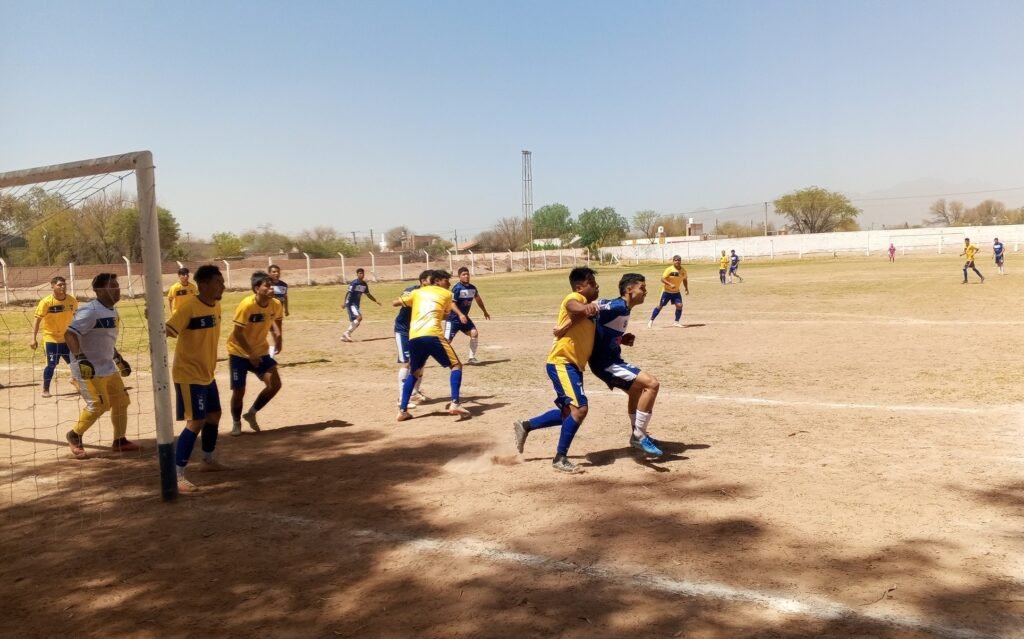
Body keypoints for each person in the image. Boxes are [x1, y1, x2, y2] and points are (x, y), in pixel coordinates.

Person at [512, 267, 601, 474]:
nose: (596, 286)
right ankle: (560, 458)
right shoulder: (575, 298)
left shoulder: (590, 310)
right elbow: (572, 305)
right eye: (591, 283)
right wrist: (584, 308)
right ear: (579, 287)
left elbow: (580, 322)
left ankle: (526, 425)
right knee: (580, 409)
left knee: (568, 413)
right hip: (562, 362)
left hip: (574, 365)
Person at [165, 264, 229, 493]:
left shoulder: (216, 306)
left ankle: (207, 460)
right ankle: (176, 475)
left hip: (206, 374)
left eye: (222, 282)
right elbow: (168, 330)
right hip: (188, 374)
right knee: (195, 421)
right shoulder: (189, 307)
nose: (222, 286)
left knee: (214, 415)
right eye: (218, 282)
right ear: (203, 285)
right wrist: (153, 321)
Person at [63, 273, 138, 458]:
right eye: (112, 286)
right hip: (88, 369)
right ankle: (74, 435)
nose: (117, 289)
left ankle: (119, 440)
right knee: (98, 405)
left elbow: (106, 340)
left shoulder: (113, 311)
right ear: (99, 290)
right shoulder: (90, 311)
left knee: (121, 401)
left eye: (117, 285)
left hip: (108, 367)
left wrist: (118, 359)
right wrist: (81, 359)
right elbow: (69, 334)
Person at [590, 273, 664, 457]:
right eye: (642, 288)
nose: (645, 292)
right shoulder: (617, 306)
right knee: (652, 384)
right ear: (629, 290)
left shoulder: (624, 308)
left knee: (636, 391)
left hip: (612, 360)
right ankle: (639, 435)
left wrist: (620, 339)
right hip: (605, 363)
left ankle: (637, 434)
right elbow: (589, 307)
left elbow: (602, 328)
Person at [395, 270, 471, 421]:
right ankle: (455, 403)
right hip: (433, 334)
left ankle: (402, 411)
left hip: (415, 336)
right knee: (456, 365)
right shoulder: (447, 294)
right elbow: (446, 315)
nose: (449, 283)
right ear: (437, 281)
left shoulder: (417, 292)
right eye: (446, 280)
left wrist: (415, 303)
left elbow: (395, 302)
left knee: (414, 372)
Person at [227, 271, 284, 436]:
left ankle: (251, 413)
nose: (271, 288)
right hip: (238, 352)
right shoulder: (247, 305)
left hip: (260, 351)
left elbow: (276, 320)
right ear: (257, 288)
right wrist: (250, 353)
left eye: (272, 285)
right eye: (267, 286)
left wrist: (278, 337)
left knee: (275, 384)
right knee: (239, 391)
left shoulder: (276, 304)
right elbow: (237, 333)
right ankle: (236, 422)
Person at [30, 276, 78, 398]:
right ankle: (45, 389)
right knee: (51, 365)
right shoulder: (46, 302)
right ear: (52, 286)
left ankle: (76, 381)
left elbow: (76, 317)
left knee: (75, 363)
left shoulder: (72, 300)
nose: (63, 286)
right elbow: (37, 320)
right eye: (59, 285)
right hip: (51, 339)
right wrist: (33, 338)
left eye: (64, 284)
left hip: (67, 338)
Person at [394, 270, 432, 408]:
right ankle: (401, 398)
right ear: (423, 281)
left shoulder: (432, 294)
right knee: (407, 362)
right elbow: (396, 302)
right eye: (431, 280)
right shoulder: (411, 291)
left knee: (421, 362)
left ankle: (414, 392)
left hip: (418, 331)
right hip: (403, 330)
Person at [444, 266, 491, 364]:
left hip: (464, 318)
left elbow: (478, 300)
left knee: (474, 333)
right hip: (453, 319)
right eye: (463, 274)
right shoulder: (457, 288)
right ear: (459, 276)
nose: (466, 276)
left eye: (467, 274)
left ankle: (471, 358)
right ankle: (429, 354)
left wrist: (484, 311)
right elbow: (452, 304)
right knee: (447, 342)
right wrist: (460, 314)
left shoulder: (473, 288)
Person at [647, 255, 688, 328]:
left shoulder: (683, 271)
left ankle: (676, 322)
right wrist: (670, 284)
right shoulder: (669, 269)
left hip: (676, 292)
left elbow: (684, 279)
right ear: (673, 261)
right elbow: (662, 279)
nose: (677, 261)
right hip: (666, 292)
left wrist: (686, 288)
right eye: (676, 260)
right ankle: (651, 320)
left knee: (679, 305)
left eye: (679, 260)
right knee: (660, 306)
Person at [341, 267, 380, 342]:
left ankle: (344, 336)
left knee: (357, 322)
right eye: (360, 273)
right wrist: (344, 303)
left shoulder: (364, 284)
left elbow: (368, 294)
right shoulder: (354, 283)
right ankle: (347, 333)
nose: (361, 274)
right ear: (357, 274)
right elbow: (348, 293)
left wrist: (375, 301)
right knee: (359, 318)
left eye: (362, 273)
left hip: (356, 304)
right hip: (350, 303)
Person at [268, 264, 288, 357]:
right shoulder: (266, 285)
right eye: (274, 272)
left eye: (278, 272)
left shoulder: (284, 285)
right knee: (273, 331)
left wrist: (286, 309)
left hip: (279, 312)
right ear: (269, 273)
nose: (276, 273)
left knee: (278, 332)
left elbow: (285, 297)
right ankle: (274, 348)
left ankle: (276, 348)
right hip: (269, 312)